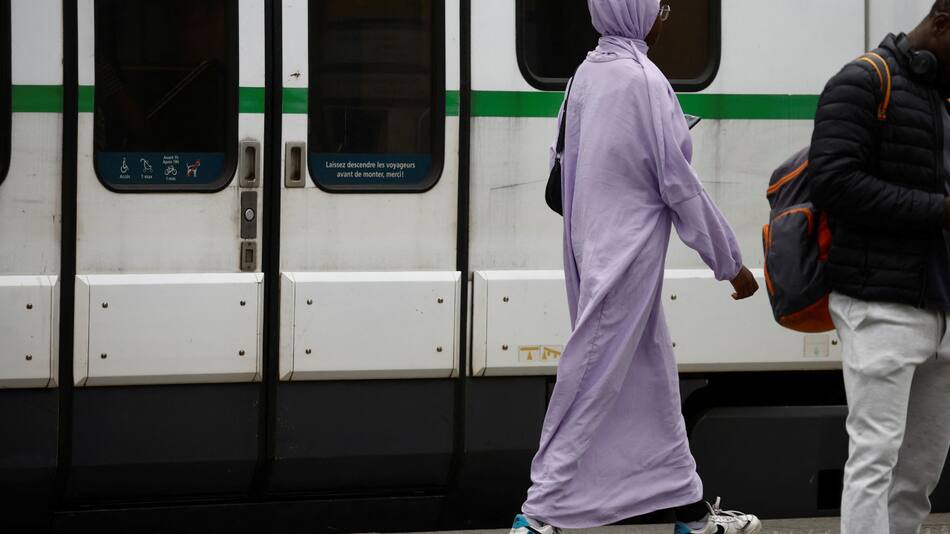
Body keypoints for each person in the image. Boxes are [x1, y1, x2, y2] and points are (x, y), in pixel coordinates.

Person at [510, 1, 761, 533]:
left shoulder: (587, 72)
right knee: (592, 378)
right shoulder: (643, 79)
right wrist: (730, 263)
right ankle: (538, 515)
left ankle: (693, 514)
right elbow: (678, 183)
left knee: (649, 381)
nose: (664, 16)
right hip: (626, 258)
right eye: (658, 6)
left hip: (589, 249)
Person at [809, 3, 950, 534]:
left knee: (918, 474)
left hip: (940, 305)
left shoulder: (941, 96)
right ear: (940, 22)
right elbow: (834, 183)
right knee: (875, 460)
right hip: (880, 305)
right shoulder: (863, 81)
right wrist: (938, 210)